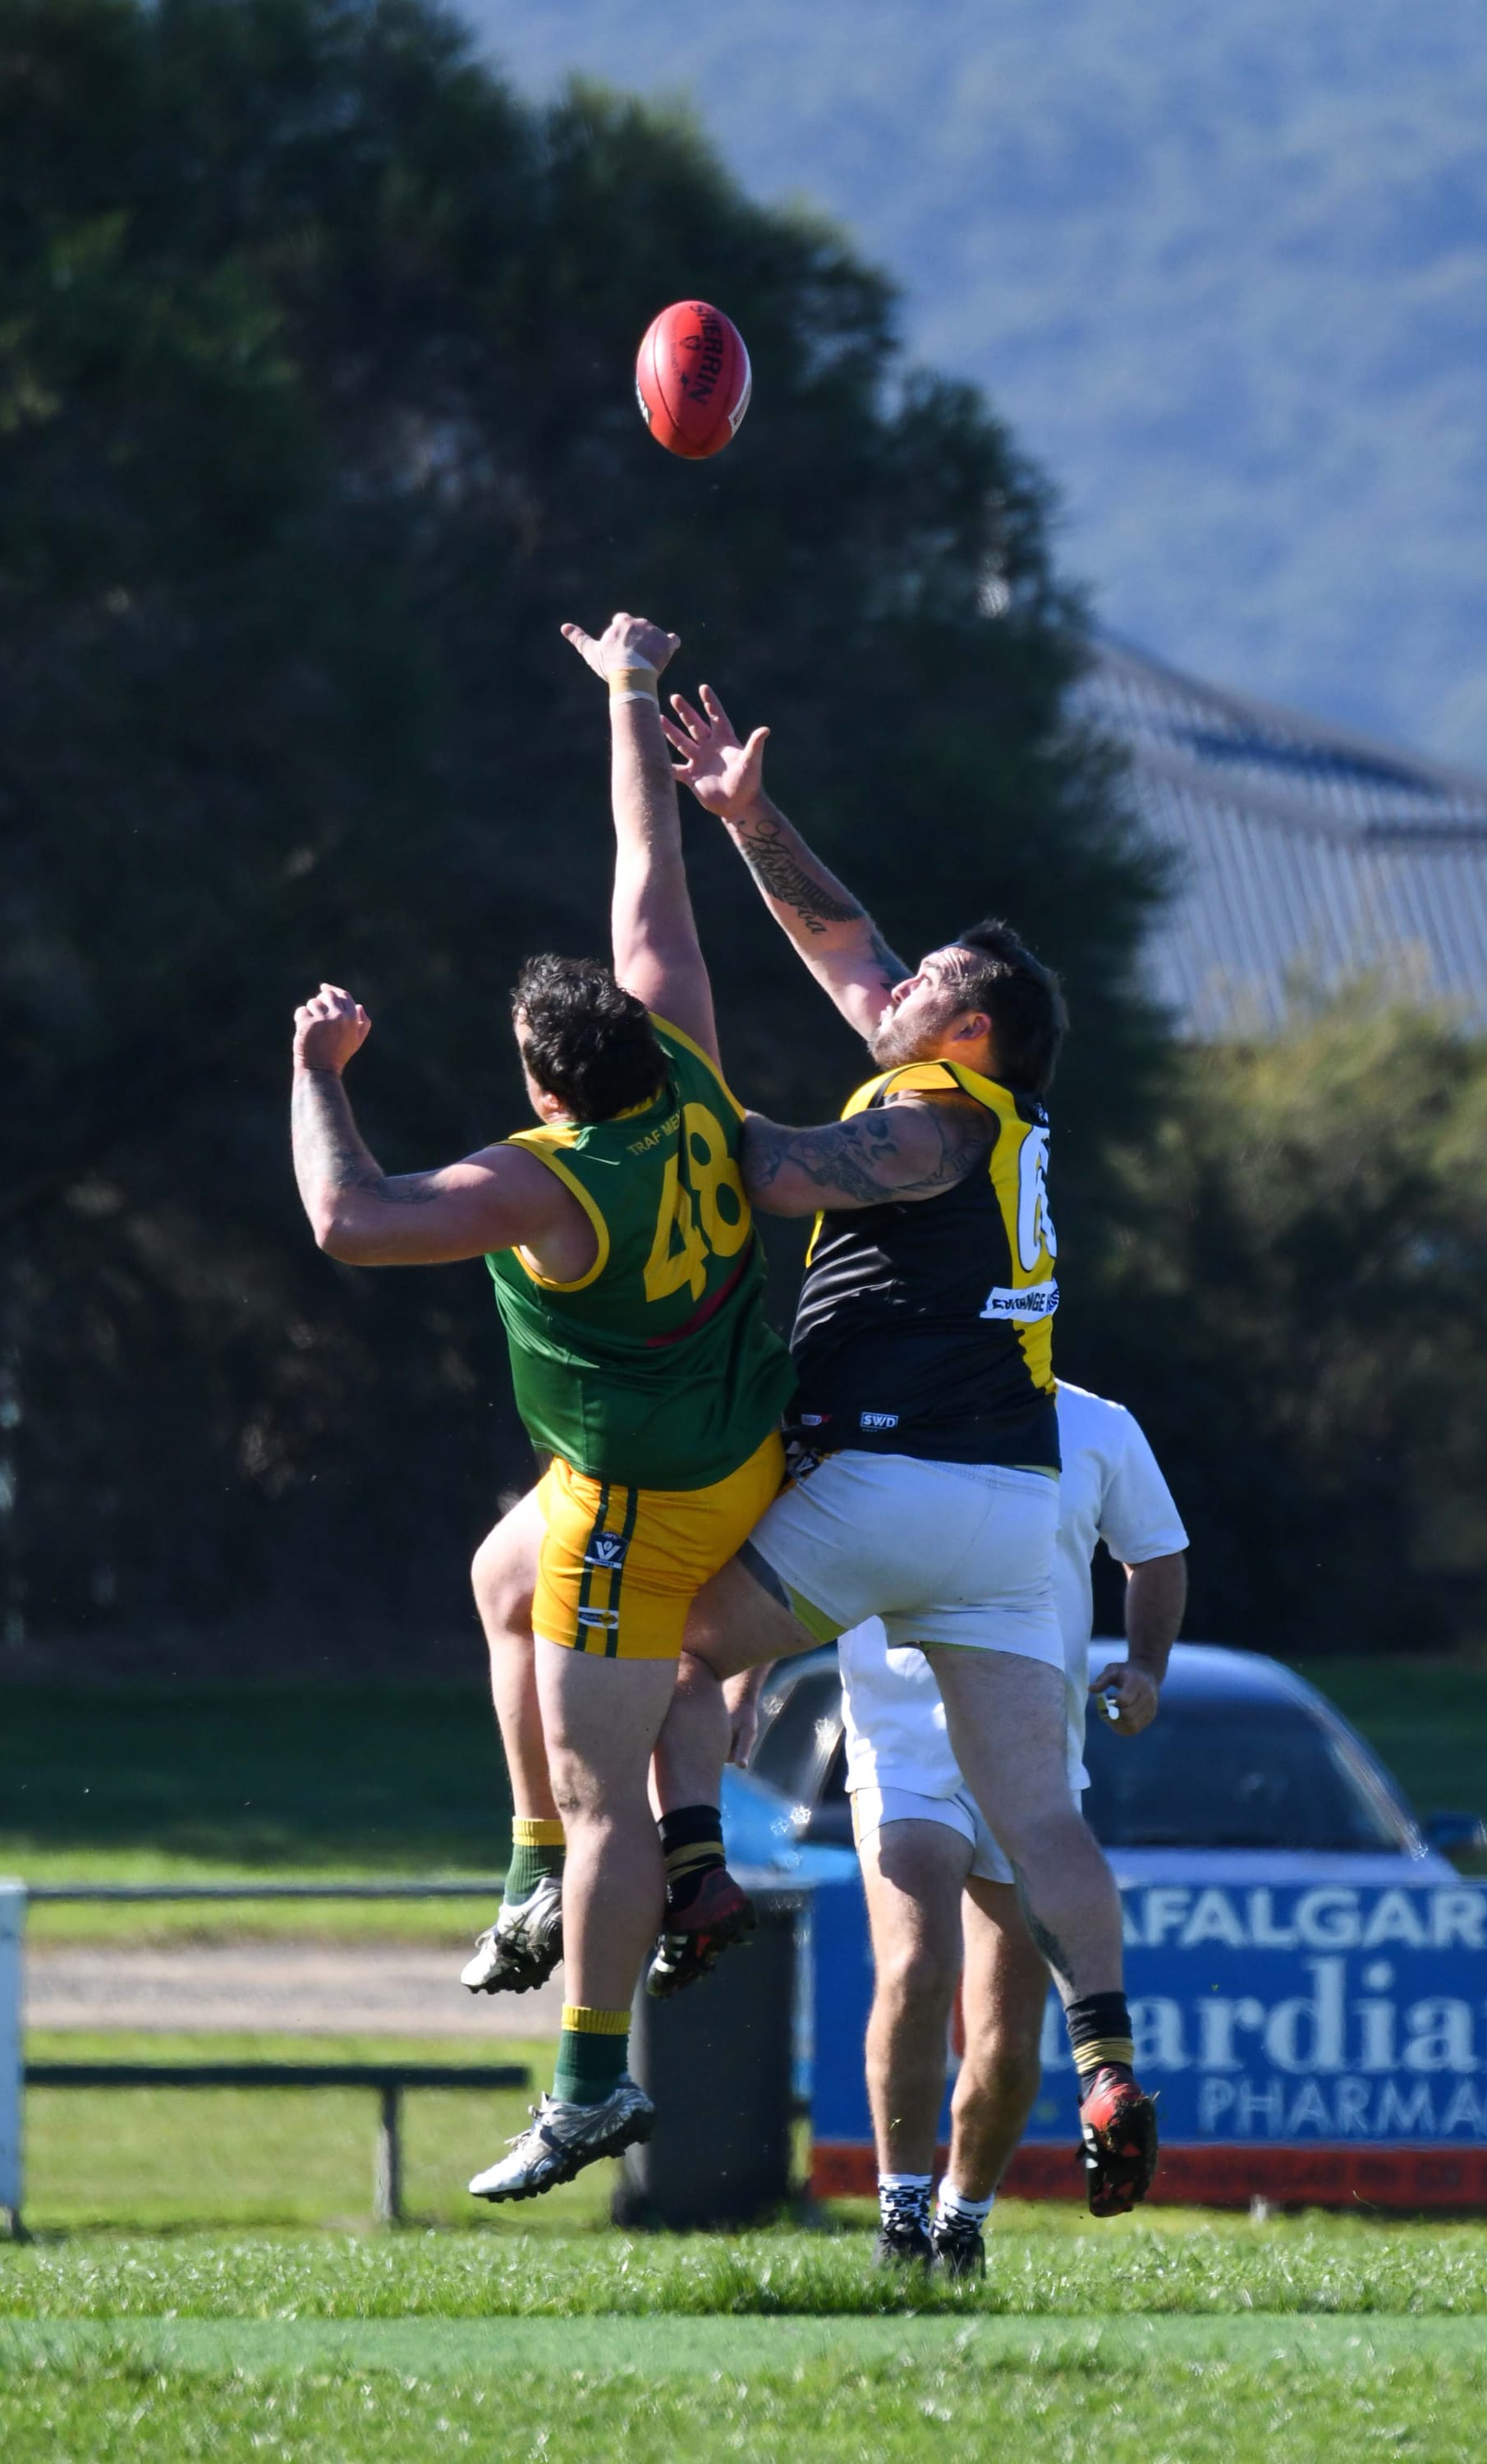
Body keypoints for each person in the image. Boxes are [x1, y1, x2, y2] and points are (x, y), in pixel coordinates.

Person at [289, 613, 795, 2201]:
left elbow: (351, 1221)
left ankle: (587, 2087)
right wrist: (630, 696)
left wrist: (319, 1070)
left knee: (604, 1805)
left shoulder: (544, 1181)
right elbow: (650, 884)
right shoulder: (694, 1073)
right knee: (492, 1581)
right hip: (733, 1453)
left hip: (635, 1512)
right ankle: (529, 1876)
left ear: (549, 1084)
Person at [651, 683, 1163, 2218]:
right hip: (1011, 1510)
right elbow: (844, 942)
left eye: (928, 985)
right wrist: (748, 822)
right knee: (1045, 1815)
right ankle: (1112, 2055)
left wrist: (657, 1110)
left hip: (890, 1483)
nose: (894, 988)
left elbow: (784, 1176)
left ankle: (690, 1879)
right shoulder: (985, 1110)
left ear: (972, 1029)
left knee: (671, 1648)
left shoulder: (935, 1118)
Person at [838, 1381, 1187, 2275]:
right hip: (903, 1748)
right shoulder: (863, 1398)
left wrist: (1144, 1666)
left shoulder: (1097, 1424)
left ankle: (962, 2218)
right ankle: (899, 2218)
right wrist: (735, 1683)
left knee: (1003, 2037)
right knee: (915, 1970)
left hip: (1028, 1757)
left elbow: (1154, 1552)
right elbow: (779, 1546)